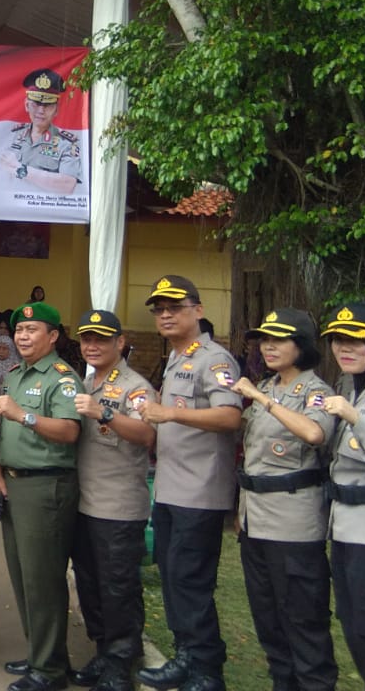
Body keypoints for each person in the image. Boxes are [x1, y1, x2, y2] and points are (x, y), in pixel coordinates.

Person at [136, 276, 242, 691]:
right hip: (171, 488)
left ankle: (206, 669)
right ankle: (186, 655)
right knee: (174, 576)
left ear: (197, 310)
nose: (165, 315)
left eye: (174, 307)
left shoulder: (213, 359)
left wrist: (171, 415)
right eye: (159, 309)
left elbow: (230, 417)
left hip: (200, 492)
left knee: (191, 580)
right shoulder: (179, 358)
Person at [230, 309, 337, 691]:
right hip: (256, 520)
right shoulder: (269, 386)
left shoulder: (316, 392)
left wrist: (260, 397)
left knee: (303, 623)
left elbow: (313, 434)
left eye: (279, 339)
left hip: (293, 524)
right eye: (264, 338)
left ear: (302, 346)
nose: (268, 346)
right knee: (269, 621)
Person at [0, 300, 83, 691]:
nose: (23, 337)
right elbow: (3, 434)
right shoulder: (15, 375)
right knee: (23, 576)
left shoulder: (62, 377)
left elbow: (69, 431)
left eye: (32, 331)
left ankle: (49, 671)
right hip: (13, 482)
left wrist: (22, 415)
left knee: (43, 580)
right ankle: (40, 655)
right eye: (19, 331)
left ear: (53, 336)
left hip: (46, 486)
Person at [69, 310, 156, 691]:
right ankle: (104, 651)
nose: (92, 345)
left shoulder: (135, 387)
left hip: (118, 507)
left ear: (120, 342)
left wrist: (104, 412)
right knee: (90, 585)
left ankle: (122, 663)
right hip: (84, 503)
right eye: (87, 339)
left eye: (102, 339)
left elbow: (146, 433)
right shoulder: (86, 383)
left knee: (118, 588)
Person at [320, 301, 365, 687]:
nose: (344, 347)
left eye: (356, 339)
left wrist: (354, 418)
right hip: (346, 527)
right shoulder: (348, 386)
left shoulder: (353, 400)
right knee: (352, 623)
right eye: (338, 340)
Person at [0, 69, 82, 194]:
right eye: (36, 104)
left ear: (56, 110)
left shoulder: (67, 143)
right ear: (27, 105)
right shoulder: (11, 135)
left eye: (48, 105)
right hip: (9, 206)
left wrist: (19, 169)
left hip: (44, 209)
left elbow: (67, 185)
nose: (41, 111)